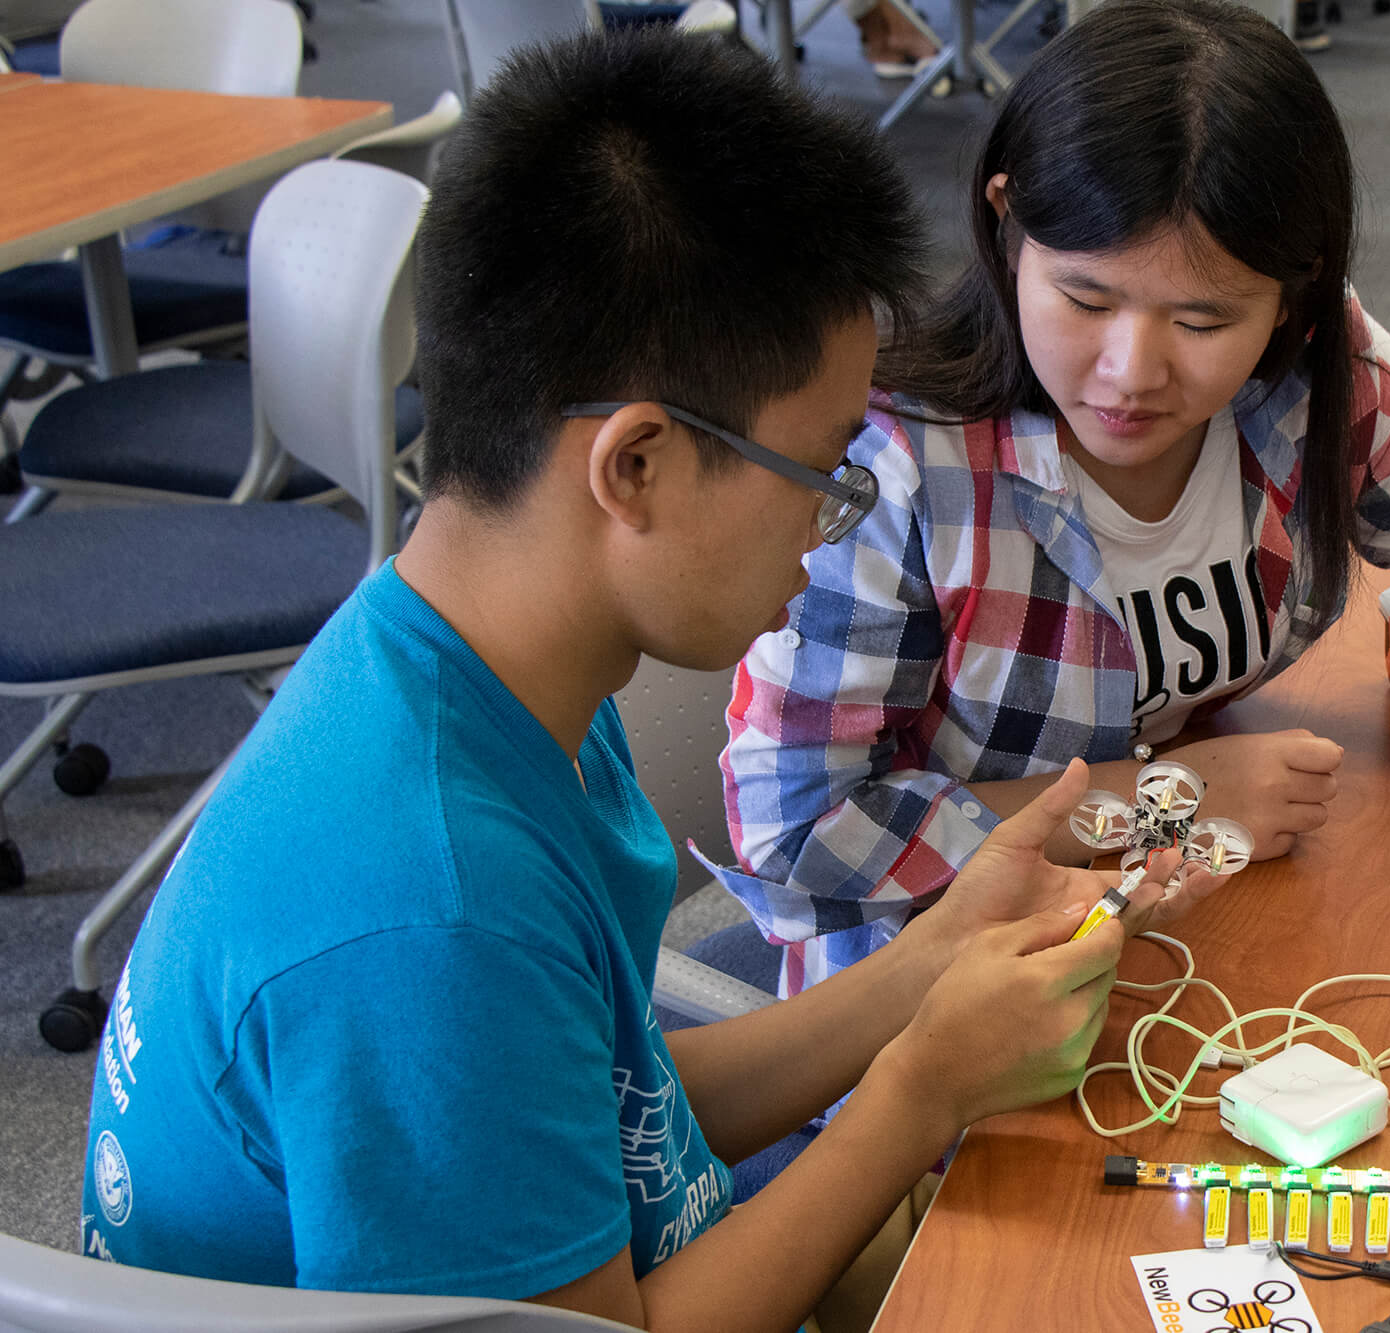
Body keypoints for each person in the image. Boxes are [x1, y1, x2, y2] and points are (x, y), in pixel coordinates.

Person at [78, 26, 1222, 1332]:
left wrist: (936, 961)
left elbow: (612, 1102)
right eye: (825, 472)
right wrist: (919, 1097)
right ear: (636, 466)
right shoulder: (430, 898)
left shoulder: (486, 662)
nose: (835, 521)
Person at [715, 0, 1390, 999]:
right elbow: (799, 827)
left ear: (1293, 296)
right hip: (931, 1001)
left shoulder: (1312, 374)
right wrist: (1164, 801)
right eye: (1084, 299)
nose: (1129, 371)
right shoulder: (898, 467)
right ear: (1006, 222)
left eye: (1202, 318)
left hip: (1181, 918)